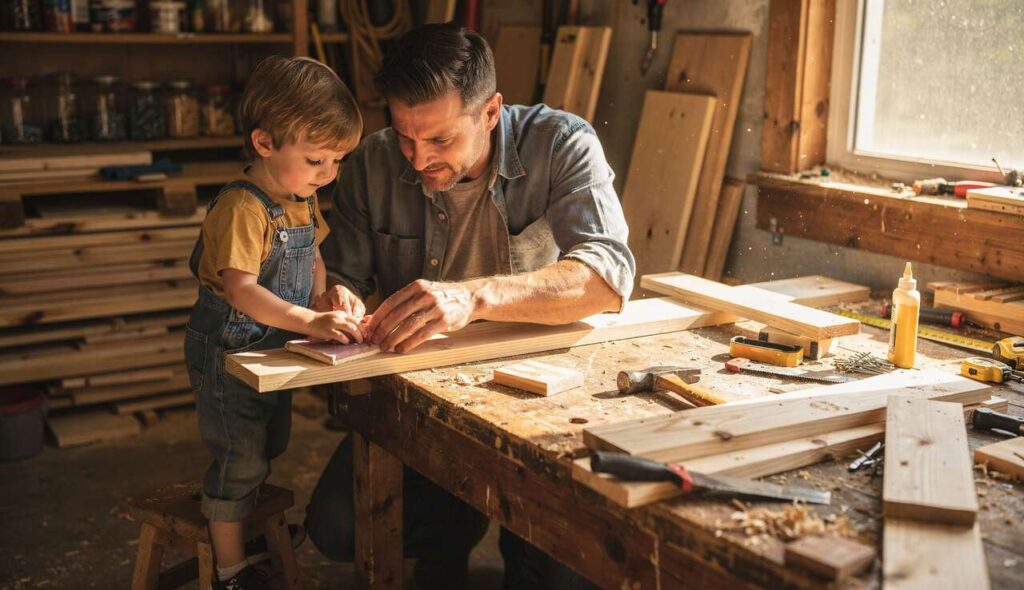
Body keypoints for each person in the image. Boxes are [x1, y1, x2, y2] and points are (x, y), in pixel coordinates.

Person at [305, 23, 635, 590]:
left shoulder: (561, 143)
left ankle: (520, 541)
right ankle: (452, 530)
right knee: (335, 528)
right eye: (406, 136)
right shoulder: (372, 163)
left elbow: (608, 276)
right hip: (421, 390)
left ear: (490, 112)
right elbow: (339, 275)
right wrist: (334, 298)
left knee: (561, 570)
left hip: (537, 393)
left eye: (439, 140)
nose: (418, 158)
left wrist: (474, 297)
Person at [183, 56, 365, 590]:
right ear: (265, 144)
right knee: (238, 459)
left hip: (270, 350)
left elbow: (311, 258)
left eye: (337, 160)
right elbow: (241, 291)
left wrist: (324, 295)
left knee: (270, 445)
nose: (327, 173)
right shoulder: (242, 208)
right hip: (228, 353)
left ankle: (244, 531)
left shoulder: (299, 198)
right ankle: (231, 571)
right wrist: (309, 320)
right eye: (315, 159)